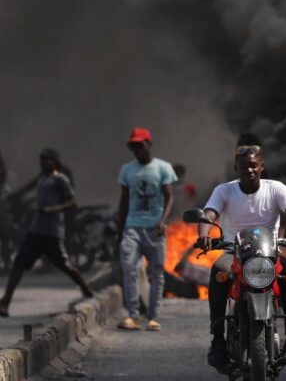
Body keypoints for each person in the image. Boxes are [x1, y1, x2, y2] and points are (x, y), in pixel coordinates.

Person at [200, 139, 286, 371]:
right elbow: (209, 214)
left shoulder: (276, 188)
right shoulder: (224, 190)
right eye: (244, 166)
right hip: (234, 253)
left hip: (269, 254)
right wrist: (203, 234)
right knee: (218, 272)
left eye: (253, 165)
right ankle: (218, 339)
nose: (249, 170)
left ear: (261, 166)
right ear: (236, 168)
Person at [0, 148, 93, 317]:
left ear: (55, 162)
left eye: (47, 159)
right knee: (19, 264)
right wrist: (15, 195)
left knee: (65, 265)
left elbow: (72, 202)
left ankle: (87, 291)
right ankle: (5, 302)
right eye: (42, 159)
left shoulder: (61, 179)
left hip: (52, 232)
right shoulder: (42, 178)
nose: (43, 163)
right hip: (36, 230)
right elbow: (29, 187)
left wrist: (54, 209)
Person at [116, 127, 177, 331]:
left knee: (157, 273)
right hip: (132, 226)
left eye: (140, 145)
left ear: (149, 145)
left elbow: (169, 197)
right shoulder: (127, 170)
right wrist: (119, 229)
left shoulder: (163, 168)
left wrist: (163, 220)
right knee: (129, 268)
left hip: (155, 228)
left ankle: (153, 317)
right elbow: (124, 201)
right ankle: (132, 315)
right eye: (133, 146)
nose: (137, 150)